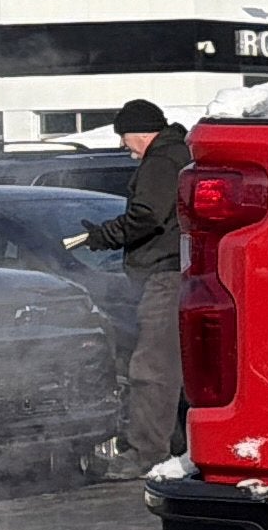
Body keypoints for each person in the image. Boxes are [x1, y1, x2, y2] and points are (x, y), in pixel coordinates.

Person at [68, 100, 191, 479]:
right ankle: (180, 448)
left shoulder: (160, 162)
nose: (123, 145)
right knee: (177, 368)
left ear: (141, 132)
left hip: (164, 276)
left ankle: (145, 454)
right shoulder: (180, 155)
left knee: (150, 368)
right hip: (182, 273)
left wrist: (104, 236)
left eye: (124, 136)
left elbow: (147, 216)